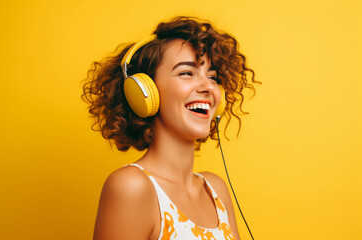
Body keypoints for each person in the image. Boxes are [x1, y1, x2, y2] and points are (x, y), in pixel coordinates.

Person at [82, 16, 257, 240]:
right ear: (145, 93)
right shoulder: (131, 187)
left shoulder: (215, 189)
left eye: (212, 77)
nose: (208, 87)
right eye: (187, 73)